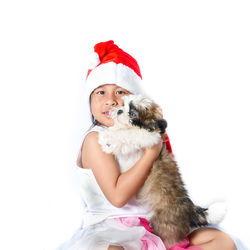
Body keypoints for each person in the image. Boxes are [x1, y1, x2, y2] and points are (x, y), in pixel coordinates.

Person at [57, 40, 242, 250]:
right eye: (101, 92)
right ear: (89, 99)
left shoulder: (139, 134)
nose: (110, 100)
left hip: (153, 226)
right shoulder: (95, 139)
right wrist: (150, 153)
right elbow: (117, 197)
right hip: (112, 229)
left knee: (221, 241)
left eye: (120, 92)